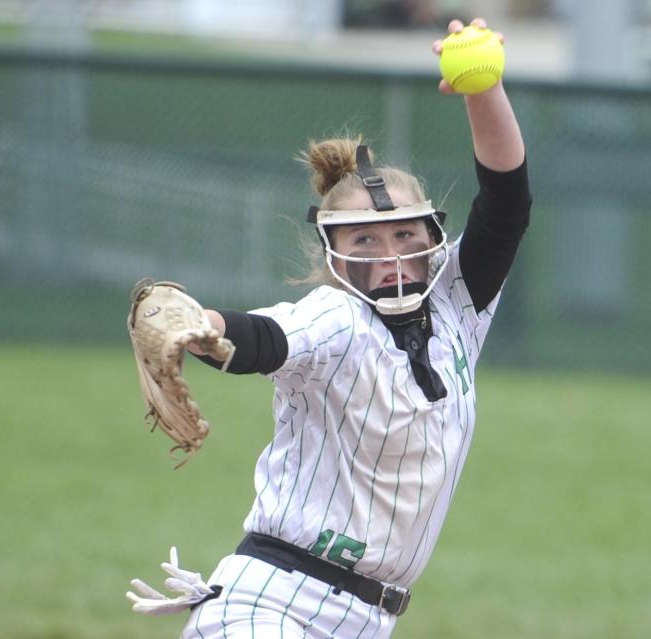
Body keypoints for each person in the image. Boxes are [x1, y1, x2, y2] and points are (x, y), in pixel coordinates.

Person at [129, 17, 531, 639]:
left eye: (405, 234)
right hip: (270, 608)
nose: (390, 253)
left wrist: (485, 89)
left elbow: (507, 201)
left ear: (432, 240)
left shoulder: (456, 308)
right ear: (334, 254)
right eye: (365, 239)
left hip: (365, 619)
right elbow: (263, 339)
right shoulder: (336, 316)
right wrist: (196, 325)